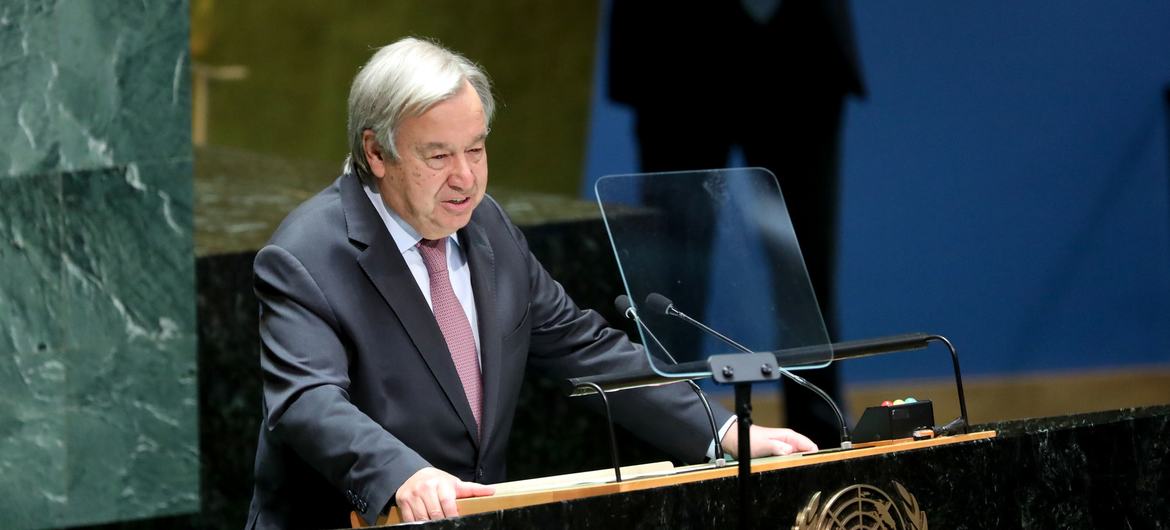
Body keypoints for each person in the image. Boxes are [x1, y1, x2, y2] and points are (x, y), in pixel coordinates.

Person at [245, 37, 817, 529]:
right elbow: (306, 402)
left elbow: (584, 347)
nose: (465, 178)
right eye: (438, 155)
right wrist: (402, 473)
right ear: (376, 152)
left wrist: (722, 432)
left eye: (476, 148)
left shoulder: (486, 226)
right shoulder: (307, 255)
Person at [608, 0, 866, 447]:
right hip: (671, 42)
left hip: (800, 39)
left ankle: (821, 447)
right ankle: (674, 436)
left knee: (805, 265)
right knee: (671, 276)